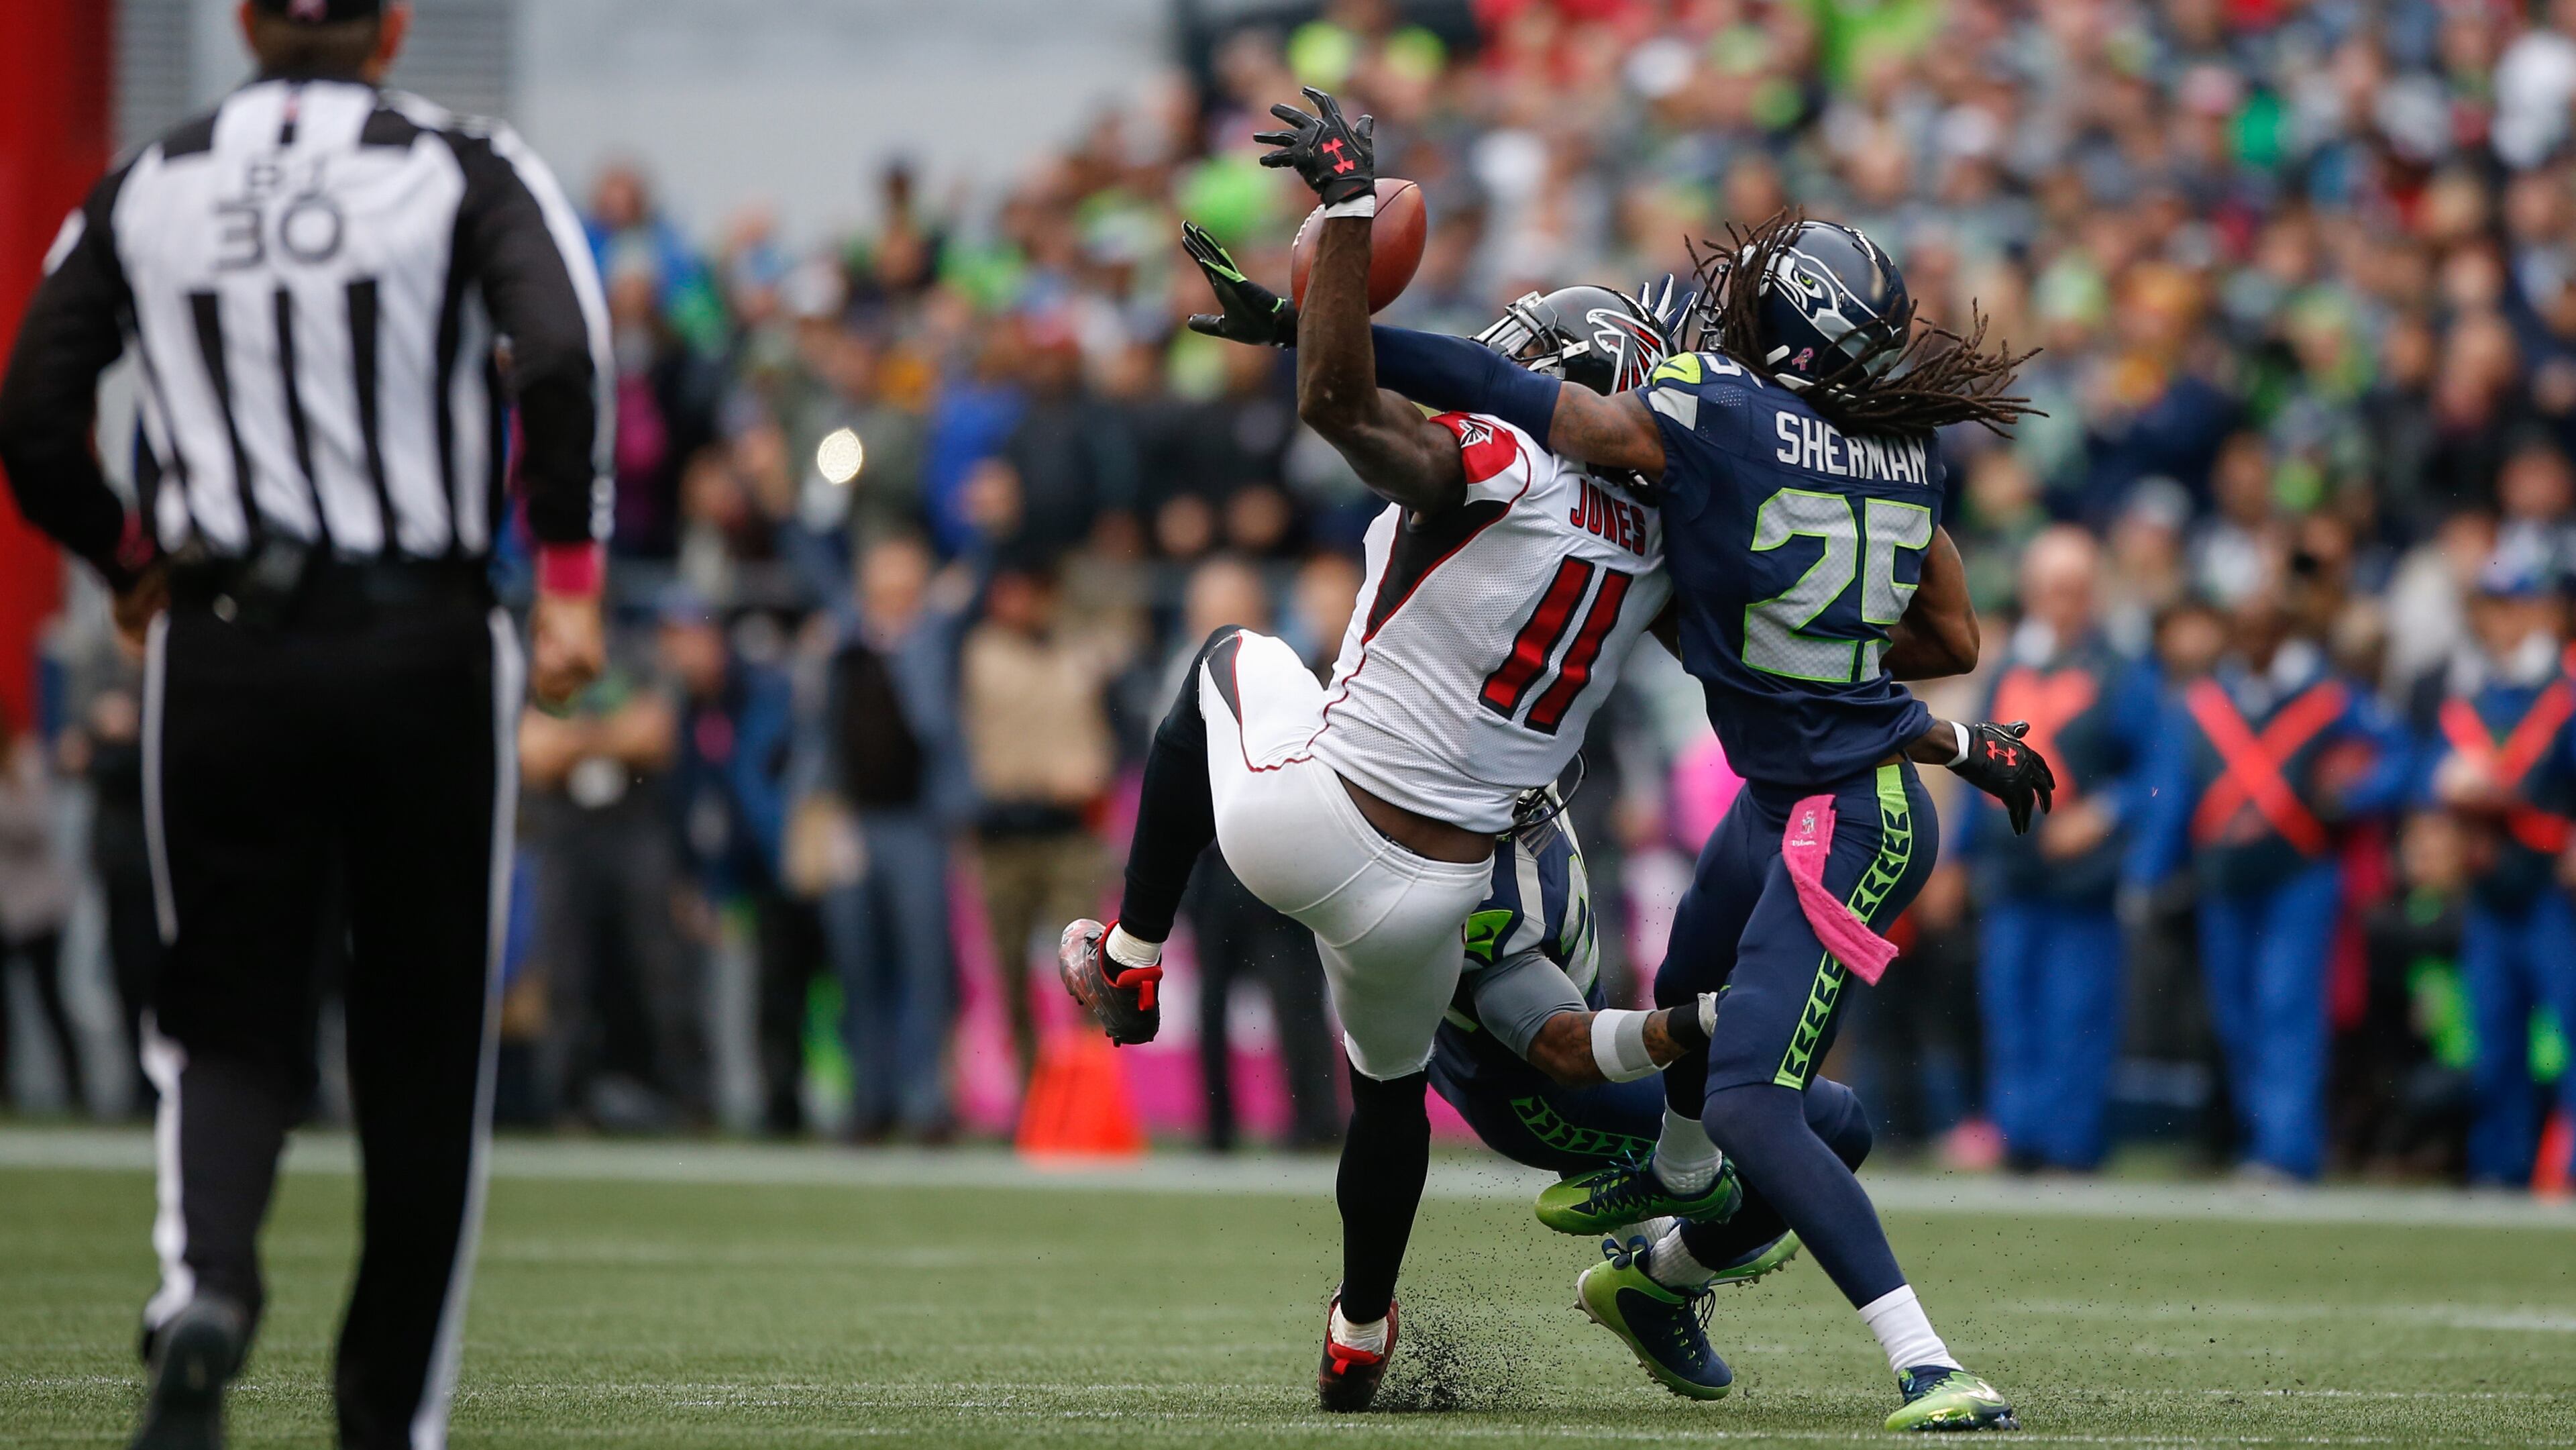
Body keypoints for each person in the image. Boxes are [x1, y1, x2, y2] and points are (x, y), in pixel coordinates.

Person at [0, 4, 611, 1445]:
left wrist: (128, 558)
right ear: (393, 27)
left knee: (223, 1013)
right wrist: (573, 582)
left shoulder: (150, 180)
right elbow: (564, 358)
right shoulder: (466, 165)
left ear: (246, 24)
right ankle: (383, 1414)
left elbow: (32, 411)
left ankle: (206, 1286)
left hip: (223, 650)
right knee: (420, 1038)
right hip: (423, 647)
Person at [1345, 199, 2056, 1429]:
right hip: (1789, 792)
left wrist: (1341, 336)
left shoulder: (1713, 415)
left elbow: (1507, 392)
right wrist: (1952, 732)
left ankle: (1925, 1358)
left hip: (1845, 814)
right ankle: (1669, 1212)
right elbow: (1934, 641)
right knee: (1686, 969)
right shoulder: (1903, 455)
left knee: (1753, 1103)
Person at [1058, 88, 1693, 1411]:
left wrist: (1345, 219)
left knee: (1226, 655)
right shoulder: (1669, 548)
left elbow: (1345, 410)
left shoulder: (1507, 463)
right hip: (1440, 897)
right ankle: (1358, 1331)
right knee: (1387, 1096)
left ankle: (1127, 961)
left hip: (1319, 814)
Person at [2130, 586, 2410, 1182]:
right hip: (2223, 881)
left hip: (2299, 875)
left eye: (2267, 626)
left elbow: (2400, 756)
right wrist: (2147, 875)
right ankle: (2259, 1137)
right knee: (2235, 1015)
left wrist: (2354, 797)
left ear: (2287, 631)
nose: (2254, 638)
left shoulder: (2328, 698)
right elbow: (2172, 792)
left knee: (2288, 1008)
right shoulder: (2206, 702)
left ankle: (2288, 1149)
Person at [1964, 526, 2156, 1173]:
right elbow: (1974, 766)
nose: (2063, 601)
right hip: (2012, 871)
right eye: (2052, 587)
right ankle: (2020, 1135)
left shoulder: (2121, 671)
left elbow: (2157, 772)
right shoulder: (2007, 669)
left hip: (2083, 879)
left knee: (2077, 1012)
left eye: (2075, 588)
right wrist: (1959, 856)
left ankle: (2072, 1144)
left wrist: (2104, 814)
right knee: (2010, 1006)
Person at [1165, 557, 1340, 1152]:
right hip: (1209, 860)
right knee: (1209, 997)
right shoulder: (1176, 671)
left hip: (1273, 852)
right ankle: (1217, 1125)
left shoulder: (1281, 669)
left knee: (1294, 990)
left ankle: (1314, 1118)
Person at [2411, 555, 2576, 1185]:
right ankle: (2498, 1167)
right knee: (2494, 1035)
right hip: (2491, 884)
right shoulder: (2475, 694)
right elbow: (2429, 769)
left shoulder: (2562, 689)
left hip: (2551, 886)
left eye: (2517, 606)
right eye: (2494, 608)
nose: (2504, 621)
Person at [820, 535, 968, 1141]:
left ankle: (925, 1100)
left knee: (925, 968)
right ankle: (868, 1098)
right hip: (852, 821)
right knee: (858, 966)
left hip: (918, 823)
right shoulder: (841, 641)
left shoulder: (932, 640)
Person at [961, 552, 1118, 1090]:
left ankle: (1089, 1093)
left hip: (1068, 831)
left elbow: (1107, 733)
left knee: (1086, 971)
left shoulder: (1079, 651)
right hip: (1002, 832)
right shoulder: (978, 653)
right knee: (1008, 971)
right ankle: (1033, 1097)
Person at [0, 703, 83, 1113]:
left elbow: (35, 823)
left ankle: (77, 1090)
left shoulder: (26, 761)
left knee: (51, 999)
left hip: (34, 907)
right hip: (3, 906)